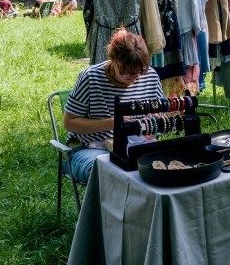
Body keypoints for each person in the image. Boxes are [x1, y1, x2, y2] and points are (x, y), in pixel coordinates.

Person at [63, 30, 164, 183]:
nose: (133, 78)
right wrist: (114, 123)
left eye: (138, 73)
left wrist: (156, 121)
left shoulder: (149, 76)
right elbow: (69, 123)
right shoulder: (91, 78)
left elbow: (161, 113)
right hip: (90, 148)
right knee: (112, 173)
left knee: (165, 165)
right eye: (127, 73)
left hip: (137, 145)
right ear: (113, 60)